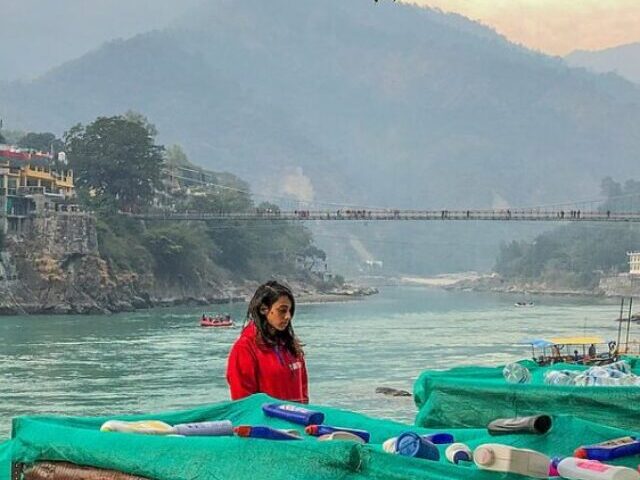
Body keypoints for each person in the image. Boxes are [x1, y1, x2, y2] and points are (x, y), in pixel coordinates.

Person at [226, 280, 308, 403]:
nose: (288, 316)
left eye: (290, 311)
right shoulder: (244, 348)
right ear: (264, 309)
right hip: (263, 421)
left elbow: (304, 396)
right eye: (282, 310)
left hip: (297, 421)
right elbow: (243, 403)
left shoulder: (291, 347)